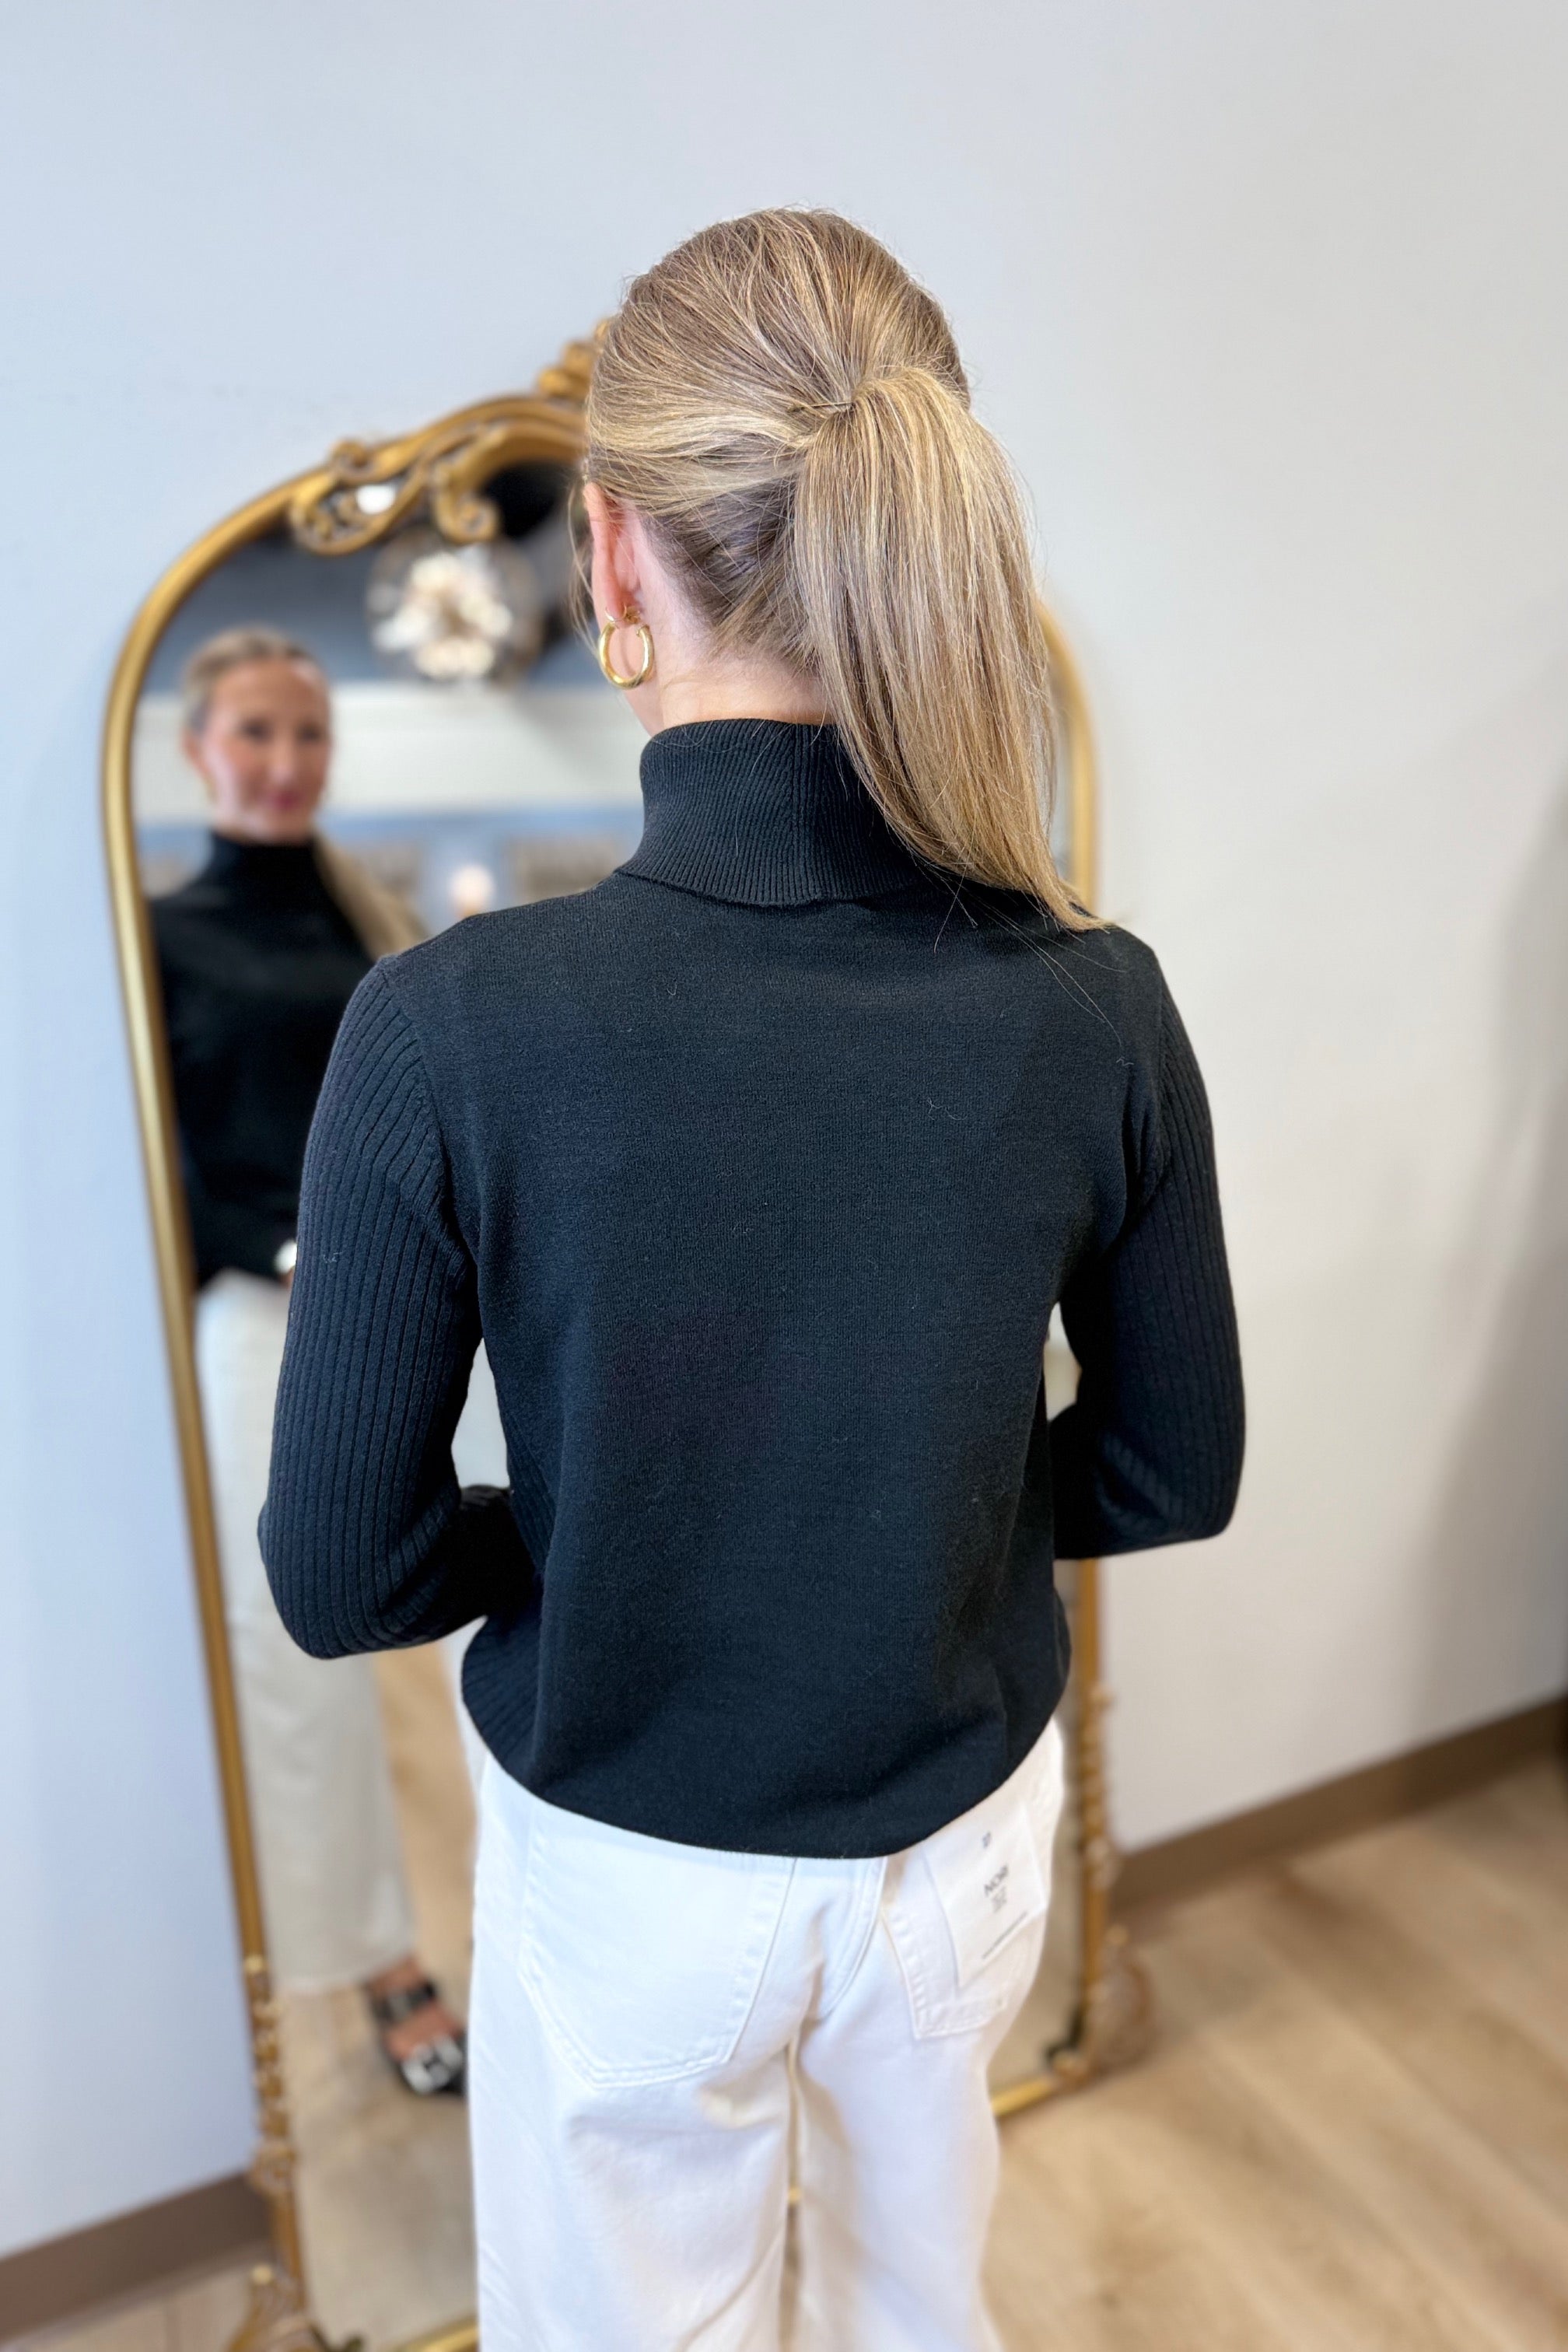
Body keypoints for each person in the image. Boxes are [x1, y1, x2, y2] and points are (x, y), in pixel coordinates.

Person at [261, 212, 1244, 2350]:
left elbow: (341, 1575)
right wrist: (906, 1507)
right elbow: (1176, 1473)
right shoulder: (1100, 1001)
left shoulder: (448, 1028)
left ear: (614, 555)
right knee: (918, 2304)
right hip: (962, 1856)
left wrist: (607, 1532)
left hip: (633, 1878)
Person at [152, 627, 467, 2096]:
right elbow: (161, 1165)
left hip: (419, 1300)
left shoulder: (373, 920)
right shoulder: (158, 936)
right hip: (261, 1318)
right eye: (256, 732)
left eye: (309, 734)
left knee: (515, 1579)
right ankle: (373, 1955)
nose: (285, 763)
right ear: (196, 749)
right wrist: (287, 1254)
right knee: (295, 1647)